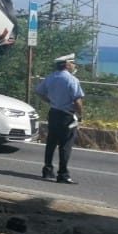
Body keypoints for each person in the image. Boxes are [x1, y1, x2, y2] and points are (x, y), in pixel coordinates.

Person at [34, 53, 85, 184]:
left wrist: (50, 101)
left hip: (53, 113)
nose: (74, 65)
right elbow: (77, 100)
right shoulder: (72, 80)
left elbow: (39, 91)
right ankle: (63, 174)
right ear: (67, 64)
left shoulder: (50, 77)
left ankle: (47, 170)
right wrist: (80, 115)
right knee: (65, 145)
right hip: (66, 115)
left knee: (51, 143)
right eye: (72, 63)